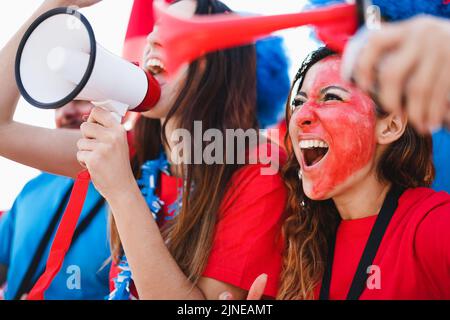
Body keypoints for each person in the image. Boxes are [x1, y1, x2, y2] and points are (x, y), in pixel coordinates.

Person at [0, 0, 287, 300]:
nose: (152, 40)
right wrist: (56, 4)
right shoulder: (139, 149)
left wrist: (122, 192)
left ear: (219, 61)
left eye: (177, 31)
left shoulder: (259, 167)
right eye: (155, 30)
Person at [276, 47, 450, 300]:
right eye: (299, 103)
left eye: (331, 97)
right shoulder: (301, 239)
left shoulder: (433, 224)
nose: (301, 115)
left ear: (390, 126)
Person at [0, 101, 110, 300]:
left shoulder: (144, 189)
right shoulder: (33, 188)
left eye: (81, 100)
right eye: (58, 104)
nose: (66, 112)